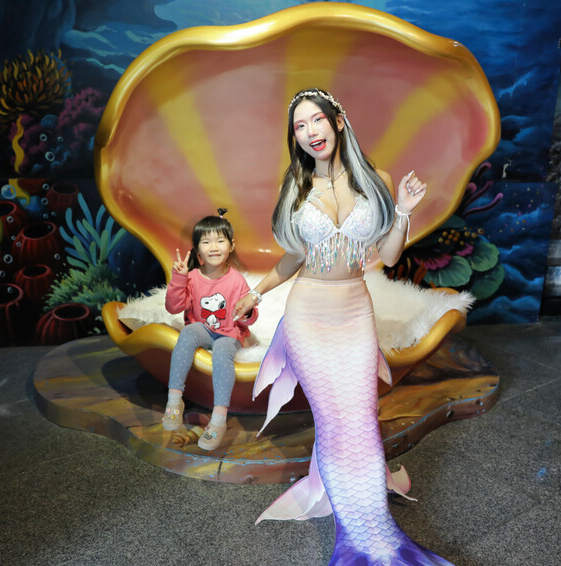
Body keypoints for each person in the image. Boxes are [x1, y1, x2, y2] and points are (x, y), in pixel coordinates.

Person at [233, 88, 451, 565]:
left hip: (355, 311)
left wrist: (406, 209)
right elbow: (294, 256)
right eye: (299, 127)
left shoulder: (377, 180)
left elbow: (390, 257)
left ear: (337, 120)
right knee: (335, 422)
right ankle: (360, 539)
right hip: (309, 313)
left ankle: (377, 532)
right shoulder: (296, 184)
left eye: (317, 121)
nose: (310, 133)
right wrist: (256, 291)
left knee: (361, 422)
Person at [162, 210, 258, 450]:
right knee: (189, 331)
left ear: (231, 245)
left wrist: (246, 312)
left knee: (223, 349)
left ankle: (218, 419)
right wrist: (178, 278)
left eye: (220, 240)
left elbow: (249, 317)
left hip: (229, 333)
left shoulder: (237, 280)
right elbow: (174, 307)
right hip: (203, 329)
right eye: (206, 242)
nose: (213, 247)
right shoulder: (192, 278)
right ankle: (175, 401)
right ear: (197, 250)